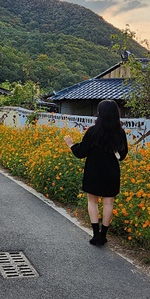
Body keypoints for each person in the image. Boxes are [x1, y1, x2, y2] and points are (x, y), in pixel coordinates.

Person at [64, 100, 128, 246]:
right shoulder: (120, 133)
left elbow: (81, 152)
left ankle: (95, 235)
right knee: (108, 203)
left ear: (100, 113)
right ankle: (103, 235)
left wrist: (71, 144)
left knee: (92, 202)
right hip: (111, 172)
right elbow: (123, 156)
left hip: (94, 171)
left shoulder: (93, 131)